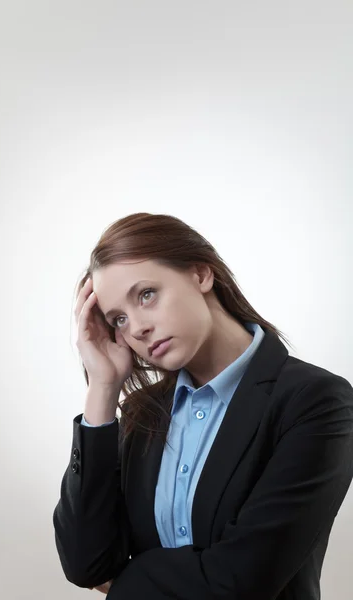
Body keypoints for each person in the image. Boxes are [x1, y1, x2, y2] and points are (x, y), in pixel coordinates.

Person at [52, 212, 353, 599]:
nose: (138, 327)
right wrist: (103, 390)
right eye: (119, 319)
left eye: (147, 294)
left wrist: (126, 581)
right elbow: (85, 564)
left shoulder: (317, 402)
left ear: (200, 274)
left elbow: (242, 581)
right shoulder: (141, 414)